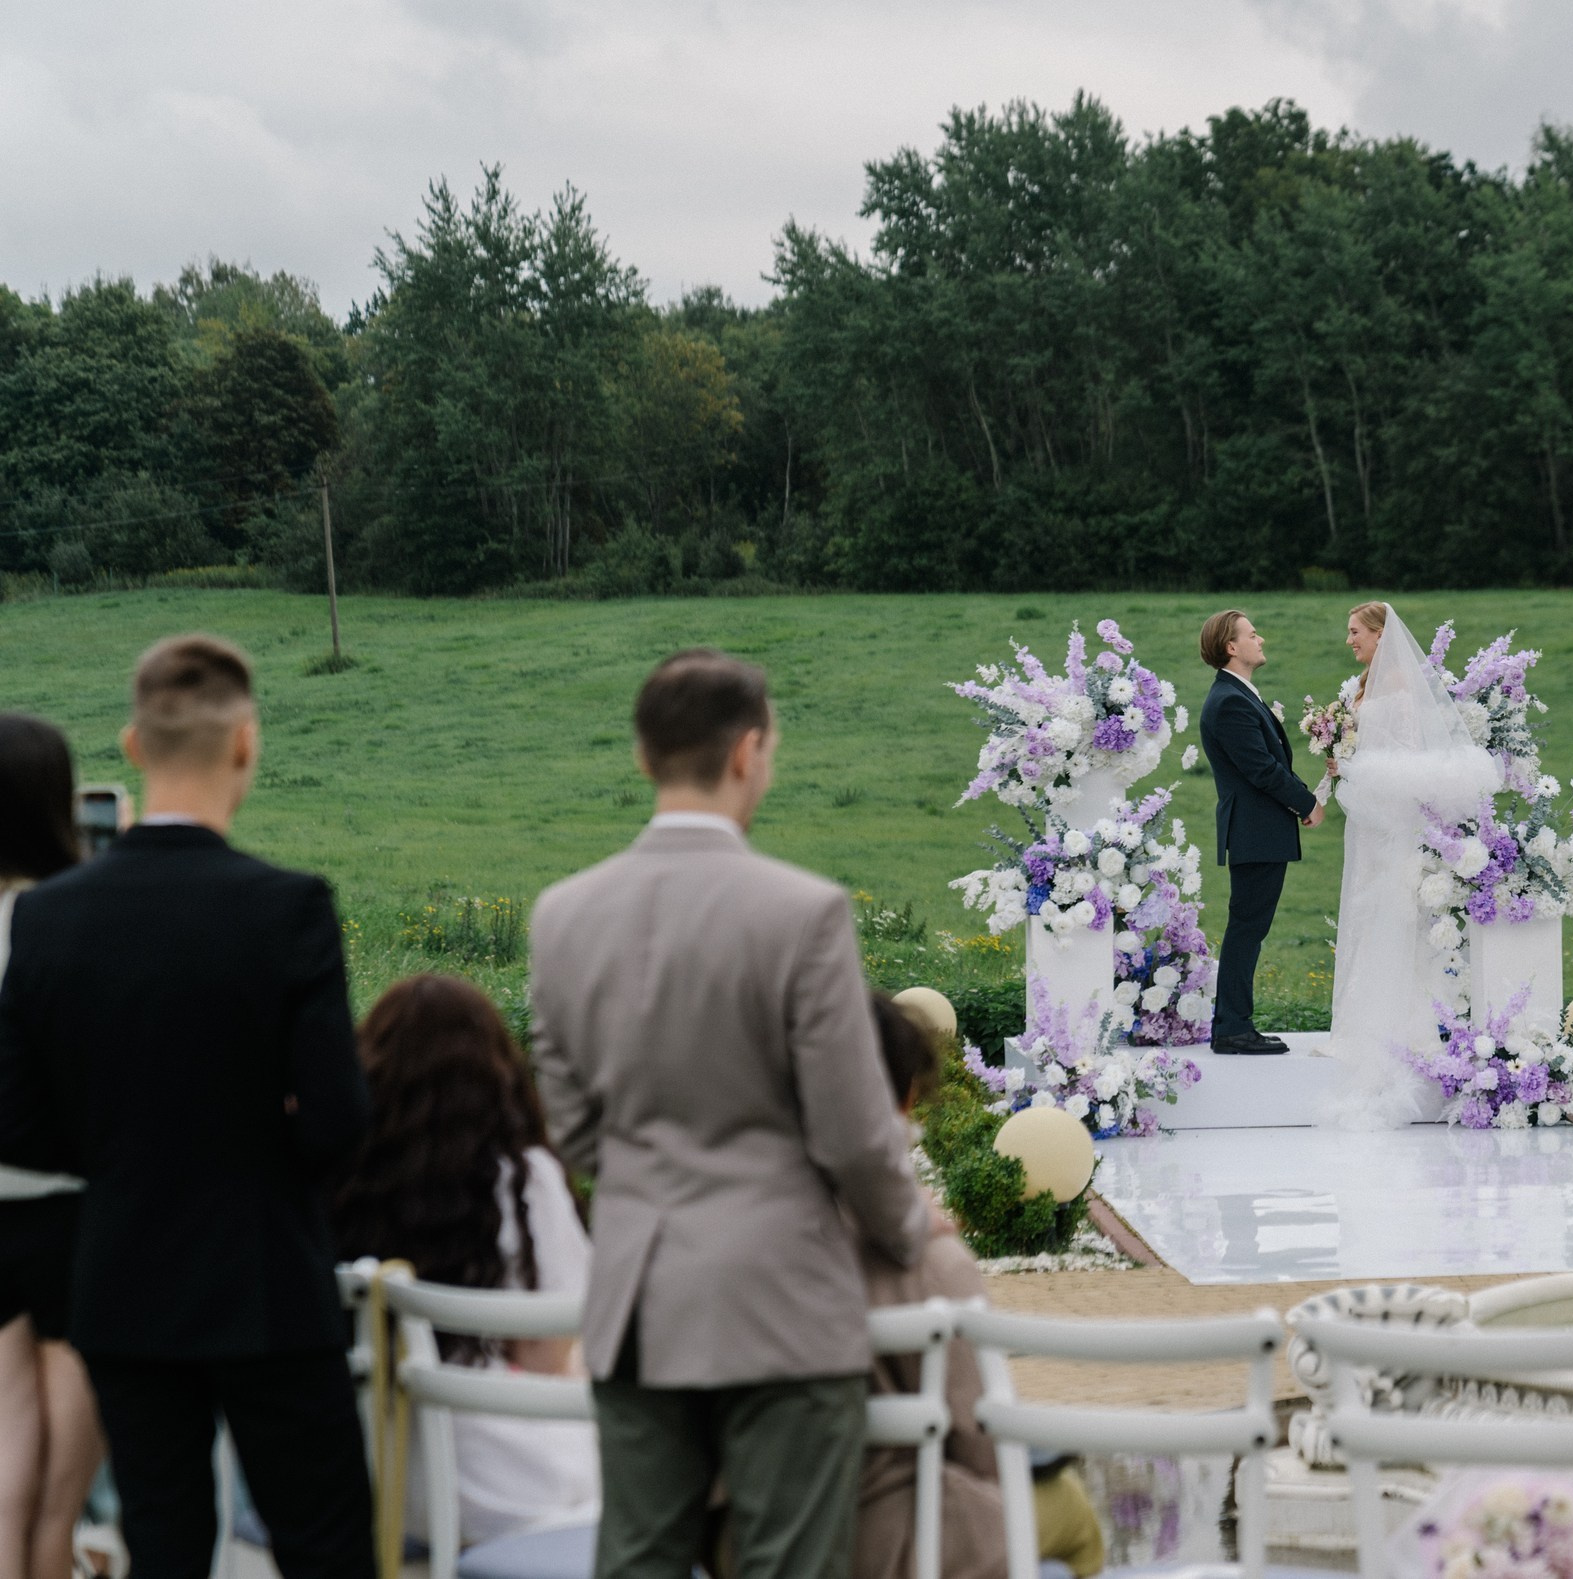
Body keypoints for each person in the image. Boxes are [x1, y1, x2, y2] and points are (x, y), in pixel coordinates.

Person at [531, 648, 932, 1579]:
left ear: (643, 757)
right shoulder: (803, 912)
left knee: (637, 1561)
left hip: (637, 1300)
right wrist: (905, 1229)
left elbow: (574, 1127)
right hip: (781, 1298)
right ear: (750, 750)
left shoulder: (561, 915)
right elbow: (851, 1130)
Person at [0, 636, 375, 1579]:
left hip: (123, 1275)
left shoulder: (49, 918)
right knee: (321, 1540)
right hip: (267, 1274)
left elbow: (22, 1122)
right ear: (246, 743)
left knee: (164, 1545)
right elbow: (337, 1120)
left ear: (131, 743)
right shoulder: (287, 907)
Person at [332, 973, 601, 1548]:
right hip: (499, 1487)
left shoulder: (339, 1178)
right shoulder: (523, 1184)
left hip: (351, 1477)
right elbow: (546, 1354)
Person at [853, 994, 1101, 1579]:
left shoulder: (732, 1227)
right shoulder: (928, 1259)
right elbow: (978, 1438)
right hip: (881, 1535)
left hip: (743, 1530)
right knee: (1072, 1514)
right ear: (909, 1097)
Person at [1318, 603, 1495, 1129]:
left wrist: (1351, 764)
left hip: (1391, 821)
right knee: (1364, 909)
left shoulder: (1398, 685)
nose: (1349, 640)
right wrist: (1338, 756)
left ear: (1379, 634)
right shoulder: (1361, 684)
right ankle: (1355, 1022)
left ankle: (1402, 1023)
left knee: (1392, 913)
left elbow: (1407, 758)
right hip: (1366, 822)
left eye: (1355, 632)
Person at [0, 715, 105, 1579]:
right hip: (70, 1202)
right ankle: (50, 1556)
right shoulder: (76, 920)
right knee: (72, 1407)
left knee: (5, 1421)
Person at [1195, 611, 1320, 1056]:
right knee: (1247, 928)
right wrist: (1307, 802)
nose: (1260, 638)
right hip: (1255, 830)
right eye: (1251, 634)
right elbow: (1262, 769)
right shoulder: (1229, 701)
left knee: (1249, 927)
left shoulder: (1238, 695)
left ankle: (1233, 1024)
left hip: (1259, 830)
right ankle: (1232, 1028)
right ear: (1232, 647)